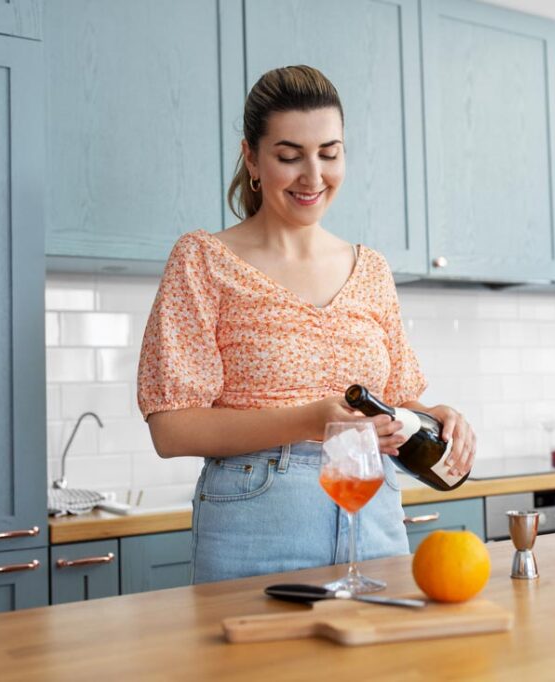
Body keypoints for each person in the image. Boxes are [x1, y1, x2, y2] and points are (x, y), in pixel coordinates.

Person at [137, 65, 476, 584]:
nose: (313, 177)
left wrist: (434, 416)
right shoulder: (203, 260)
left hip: (374, 514)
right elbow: (171, 427)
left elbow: (396, 402)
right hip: (257, 523)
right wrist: (311, 421)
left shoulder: (372, 269)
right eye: (289, 156)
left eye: (329, 153)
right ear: (251, 157)